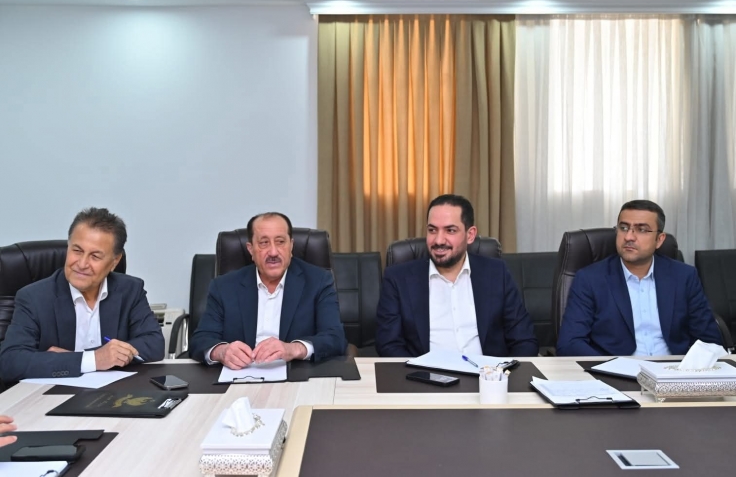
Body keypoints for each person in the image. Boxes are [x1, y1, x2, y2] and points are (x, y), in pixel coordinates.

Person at [0, 208, 165, 382]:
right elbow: (10, 362)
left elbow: (154, 344)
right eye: (77, 251)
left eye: (95, 256)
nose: (82, 264)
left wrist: (76, 358)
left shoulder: (130, 290)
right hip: (54, 393)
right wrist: (93, 359)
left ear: (115, 261)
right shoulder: (34, 297)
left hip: (114, 392)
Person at [375, 194, 539, 357]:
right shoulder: (398, 279)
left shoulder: (496, 273)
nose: (439, 240)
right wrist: (419, 371)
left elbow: (524, 340)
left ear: (470, 235)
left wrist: (503, 371)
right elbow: (388, 344)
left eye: (450, 230)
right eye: (432, 230)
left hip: (488, 372)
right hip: (425, 372)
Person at [557, 200, 722, 356]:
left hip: (672, 370)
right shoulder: (590, 279)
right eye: (623, 228)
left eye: (642, 229)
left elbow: (709, 339)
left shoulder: (684, 276)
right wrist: (609, 368)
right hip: (615, 371)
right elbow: (570, 343)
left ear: (659, 240)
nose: (629, 237)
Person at [189, 212, 347, 368]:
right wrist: (221, 351)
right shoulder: (224, 286)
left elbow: (335, 338)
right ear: (250, 249)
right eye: (264, 243)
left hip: (296, 374)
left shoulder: (318, 281)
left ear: (291, 246)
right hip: (240, 374)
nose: (273, 252)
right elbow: (201, 339)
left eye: (280, 242)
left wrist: (294, 349)